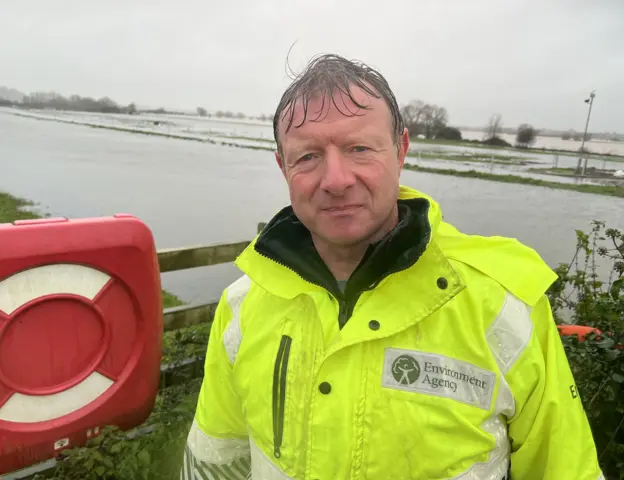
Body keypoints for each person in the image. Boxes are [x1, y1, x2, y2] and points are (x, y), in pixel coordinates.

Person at [180, 54, 604, 480]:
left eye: (359, 149)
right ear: (282, 166)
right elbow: (214, 461)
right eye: (307, 156)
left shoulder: (501, 303)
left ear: (401, 149)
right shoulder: (243, 304)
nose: (336, 179)